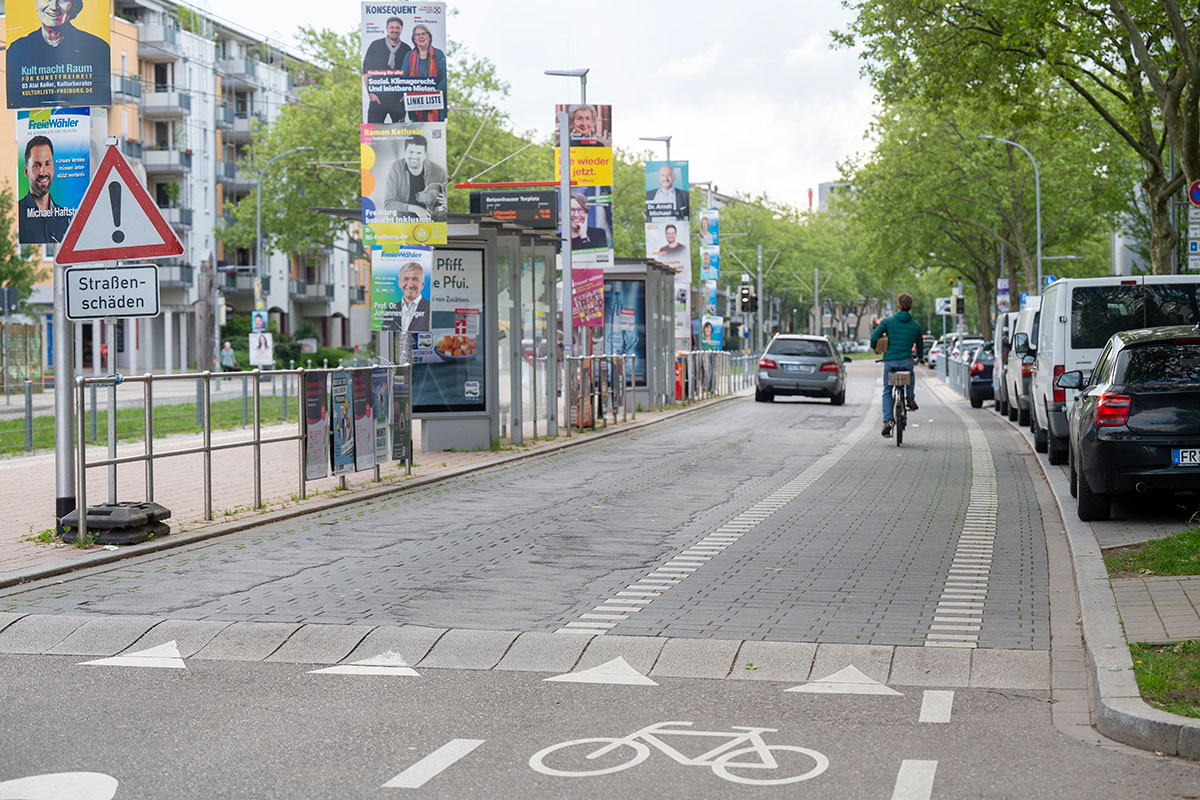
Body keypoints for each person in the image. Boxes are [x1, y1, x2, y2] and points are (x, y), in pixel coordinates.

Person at [7, 0, 111, 106]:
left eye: (63, 0)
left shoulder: (97, 48)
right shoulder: (18, 49)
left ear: (75, 7)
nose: (53, 7)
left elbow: (98, 93)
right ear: (36, 3)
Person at [869, 292, 926, 438]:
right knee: (910, 374)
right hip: (906, 361)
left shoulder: (887, 322)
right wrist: (920, 357)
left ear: (898, 305)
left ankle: (888, 420)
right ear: (910, 307)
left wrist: (874, 346)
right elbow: (920, 344)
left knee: (888, 391)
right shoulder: (915, 325)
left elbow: (875, 335)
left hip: (890, 362)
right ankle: (910, 397)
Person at [17, 135, 70, 243]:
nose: (43, 172)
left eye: (47, 164)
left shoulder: (65, 218)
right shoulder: (17, 215)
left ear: (54, 168)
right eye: (36, 165)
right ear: (26, 171)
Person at [383, 134, 448, 222]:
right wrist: (414, 208)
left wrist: (444, 203)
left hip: (430, 222)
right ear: (404, 152)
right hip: (401, 223)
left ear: (425, 154)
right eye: (411, 152)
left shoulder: (439, 172)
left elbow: (444, 204)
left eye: (419, 153)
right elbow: (388, 203)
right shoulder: (396, 168)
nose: (414, 156)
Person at [362, 16, 410, 124]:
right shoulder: (375, 45)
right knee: (372, 133)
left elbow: (411, 74)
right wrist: (371, 93)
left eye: (397, 28)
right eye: (392, 27)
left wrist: (405, 94)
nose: (394, 30)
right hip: (378, 98)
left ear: (401, 29)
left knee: (400, 134)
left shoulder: (406, 49)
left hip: (398, 100)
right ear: (387, 28)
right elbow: (366, 72)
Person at [402, 23, 446, 122]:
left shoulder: (439, 54)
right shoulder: (409, 56)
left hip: (435, 103)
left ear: (429, 37)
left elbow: (444, 78)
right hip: (415, 104)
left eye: (424, 34)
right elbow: (403, 78)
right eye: (417, 35)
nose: (421, 37)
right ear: (414, 39)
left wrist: (433, 94)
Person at [394, 262, 431, 332]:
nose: (410, 285)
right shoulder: (389, 310)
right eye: (406, 279)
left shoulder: (430, 309)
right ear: (399, 282)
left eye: (415, 279)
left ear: (422, 284)